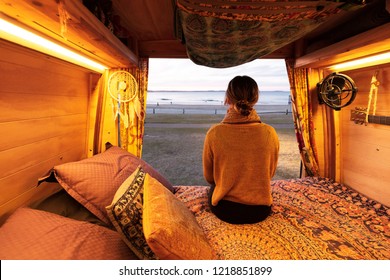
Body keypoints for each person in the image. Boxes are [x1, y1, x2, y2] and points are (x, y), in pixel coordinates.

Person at [202, 75, 279, 224]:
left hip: (225, 210)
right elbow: (270, 173)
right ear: (255, 99)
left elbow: (209, 178)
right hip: (260, 211)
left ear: (227, 99)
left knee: (213, 187)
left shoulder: (214, 133)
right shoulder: (270, 132)